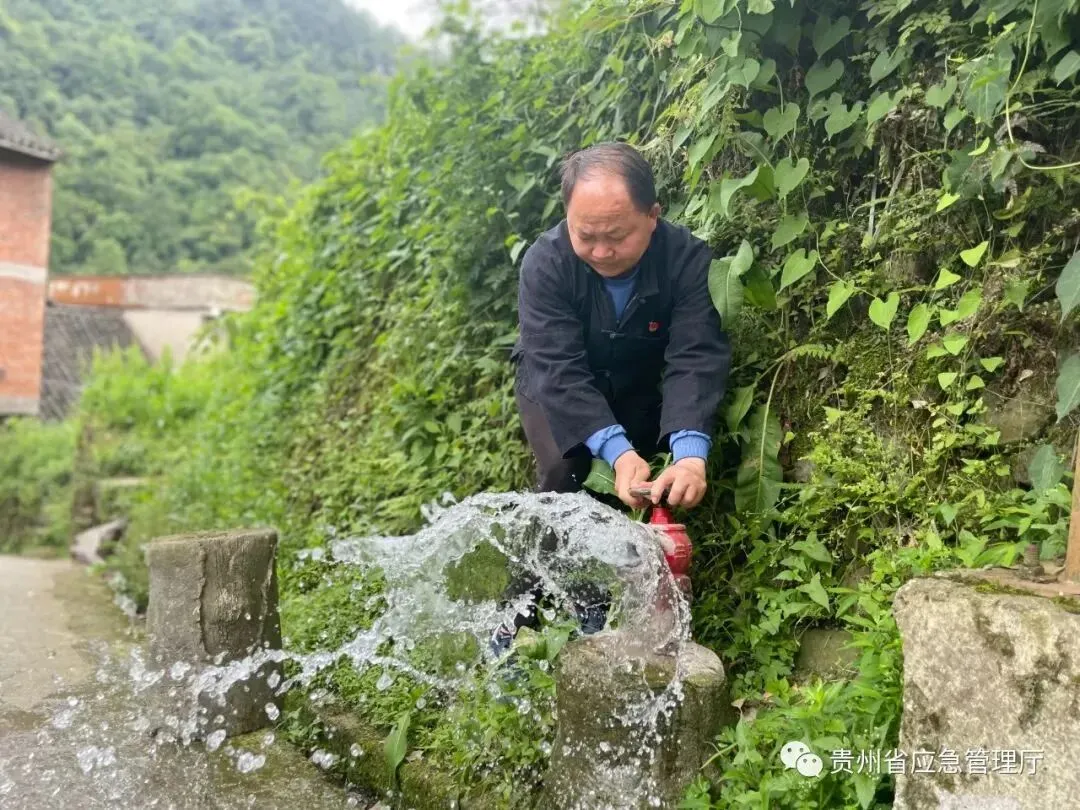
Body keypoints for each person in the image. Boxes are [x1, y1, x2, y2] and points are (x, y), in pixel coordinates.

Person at [511, 142, 731, 511]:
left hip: (636, 377)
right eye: (585, 236)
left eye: (616, 237)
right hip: (551, 377)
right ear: (568, 216)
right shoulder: (545, 264)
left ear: (653, 215)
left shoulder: (687, 261)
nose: (601, 252)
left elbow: (695, 356)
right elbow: (558, 369)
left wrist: (690, 457)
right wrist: (617, 451)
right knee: (566, 471)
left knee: (643, 475)